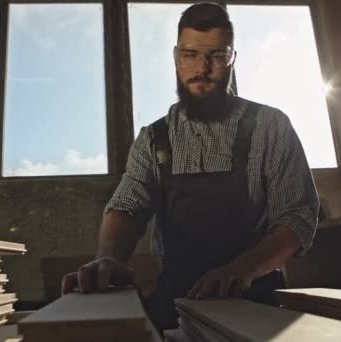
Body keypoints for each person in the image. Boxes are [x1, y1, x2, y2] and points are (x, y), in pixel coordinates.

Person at [62, 2, 319, 331]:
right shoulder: (153, 138)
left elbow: (297, 218)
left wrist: (240, 270)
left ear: (232, 58)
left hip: (255, 302)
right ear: (175, 57)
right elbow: (127, 206)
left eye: (215, 55)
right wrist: (108, 257)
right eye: (190, 54)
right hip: (176, 302)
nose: (202, 67)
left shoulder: (271, 126)